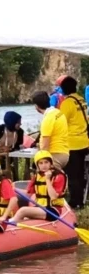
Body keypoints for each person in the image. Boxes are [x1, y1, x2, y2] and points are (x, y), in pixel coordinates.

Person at [9, 151, 67, 223]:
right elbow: (28, 194)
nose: (44, 165)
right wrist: (13, 189)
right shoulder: (37, 176)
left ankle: (9, 224)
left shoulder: (58, 176)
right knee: (24, 218)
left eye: (46, 162)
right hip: (39, 207)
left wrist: (47, 179)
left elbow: (53, 196)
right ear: (37, 165)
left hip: (53, 210)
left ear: (51, 163)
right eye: (41, 163)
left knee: (22, 211)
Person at [58, 76, 89, 209]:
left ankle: (75, 201)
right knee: (81, 172)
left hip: (73, 143)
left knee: (73, 174)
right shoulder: (80, 99)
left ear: (64, 89)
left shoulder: (67, 103)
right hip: (84, 141)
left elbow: (61, 122)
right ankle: (80, 199)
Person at [32, 90, 70, 170]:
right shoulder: (58, 112)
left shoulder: (48, 119)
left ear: (36, 106)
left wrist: (40, 161)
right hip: (64, 153)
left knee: (43, 179)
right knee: (58, 179)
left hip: (55, 154)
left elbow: (45, 146)